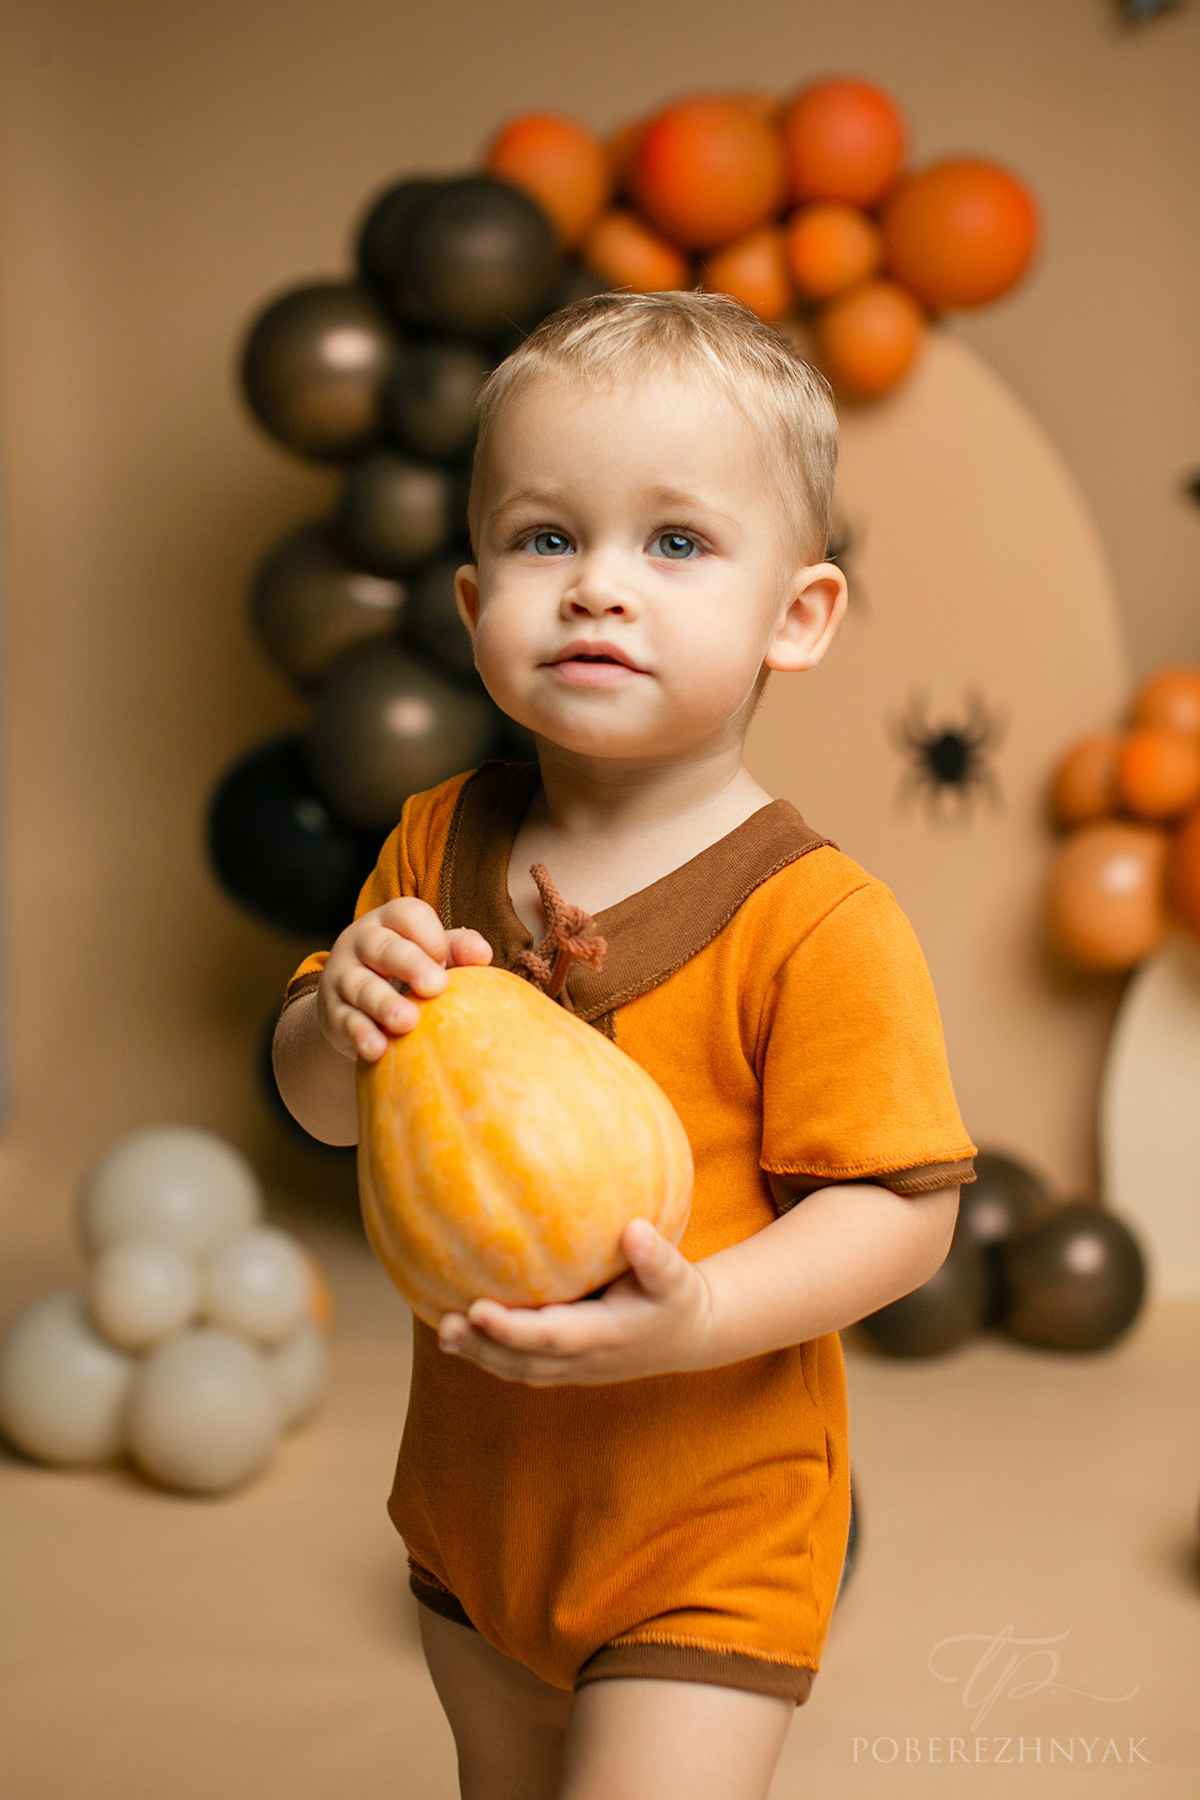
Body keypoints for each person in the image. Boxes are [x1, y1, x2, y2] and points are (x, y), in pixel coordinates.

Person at [273, 291, 976, 1800]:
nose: (598, 588)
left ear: (798, 616)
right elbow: (326, 1116)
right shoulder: (435, 840)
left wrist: (702, 1312)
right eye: (545, 540)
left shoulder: (815, 921)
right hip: (478, 1509)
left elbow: (908, 1213)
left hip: (708, 1523)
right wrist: (334, 1016)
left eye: (675, 543)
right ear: (472, 611)